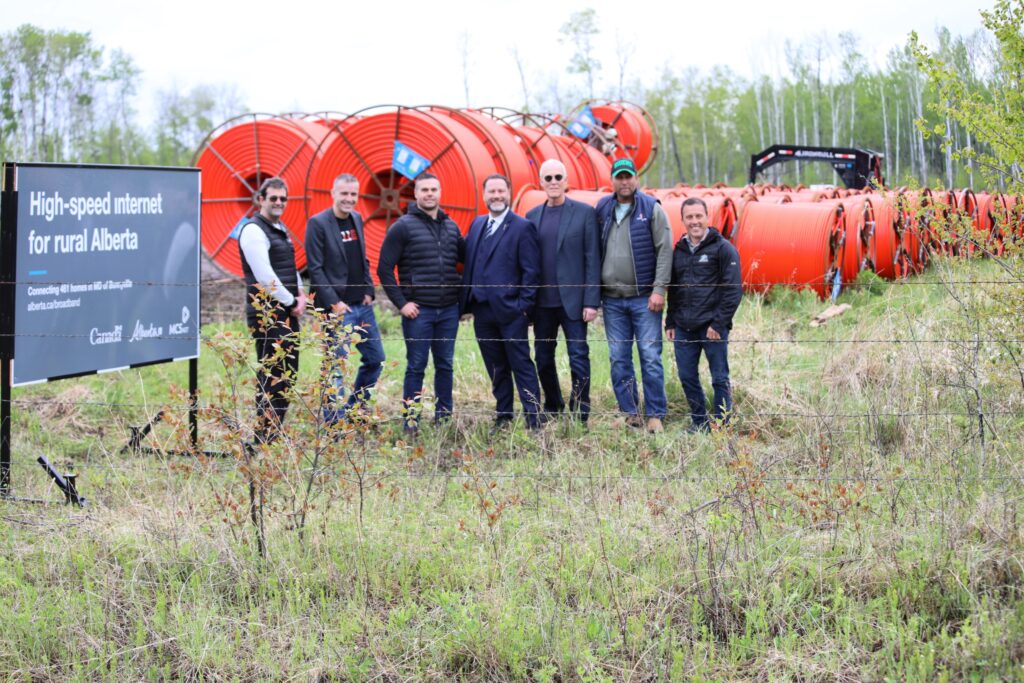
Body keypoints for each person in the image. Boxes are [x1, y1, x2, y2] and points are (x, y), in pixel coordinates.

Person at [377, 173, 465, 430]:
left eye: (433, 189)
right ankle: (411, 420)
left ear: (440, 192)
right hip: (419, 312)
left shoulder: (451, 226)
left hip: (448, 309)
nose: (429, 194)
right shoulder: (402, 227)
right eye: (424, 189)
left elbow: (464, 260)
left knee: (445, 365)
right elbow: (384, 269)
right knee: (416, 366)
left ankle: (444, 418)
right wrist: (401, 303)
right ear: (415, 195)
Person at [460, 174, 543, 430]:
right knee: (496, 367)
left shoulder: (521, 226)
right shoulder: (477, 224)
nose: (496, 196)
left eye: (500, 191)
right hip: (482, 311)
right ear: (484, 195)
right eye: (491, 192)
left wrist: (523, 307)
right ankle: (504, 416)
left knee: (521, 364)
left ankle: (534, 419)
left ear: (509, 193)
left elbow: (532, 271)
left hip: (511, 311)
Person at [596, 158, 673, 433]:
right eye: (620, 177)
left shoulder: (652, 209)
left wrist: (659, 289)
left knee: (650, 356)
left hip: (644, 298)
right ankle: (630, 413)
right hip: (613, 300)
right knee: (618, 357)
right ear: (612, 180)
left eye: (629, 176)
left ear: (636, 179)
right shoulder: (603, 208)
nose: (625, 181)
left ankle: (655, 414)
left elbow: (665, 250)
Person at [524, 159, 601, 423]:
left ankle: (581, 409)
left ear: (566, 181)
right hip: (542, 304)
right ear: (541, 183)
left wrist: (592, 301)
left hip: (574, 303)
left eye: (558, 177)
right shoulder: (532, 217)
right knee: (543, 358)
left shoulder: (583, 213)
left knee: (578, 356)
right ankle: (553, 404)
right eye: (548, 178)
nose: (554, 182)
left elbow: (592, 259)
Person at [304, 173, 385, 424]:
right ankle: (333, 423)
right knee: (335, 367)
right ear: (333, 194)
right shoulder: (318, 224)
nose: (349, 199)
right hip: (337, 309)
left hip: (362, 305)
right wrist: (334, 303)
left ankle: (354, 410)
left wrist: (369, 290)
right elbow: (315, 269)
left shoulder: (357, 219)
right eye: (344, 194)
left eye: (353, 194)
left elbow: (363, 258)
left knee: (376, 359)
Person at [238, 177, 306, 443]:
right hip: (267, 313)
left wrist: (299, 294)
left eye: (282, 198)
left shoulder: (279, 229)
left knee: (288, 373)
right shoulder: (254, 230)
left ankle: (273, 434)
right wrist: (291, 301)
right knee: (273, 373)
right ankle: (263, 436)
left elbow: (290, 267)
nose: (278, 203)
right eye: (273, 198)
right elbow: (265, 276)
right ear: (260, 199)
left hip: (285, 311)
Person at [666, 197, 742, 432]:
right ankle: (699, 422)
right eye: (689, 217)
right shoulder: (678, 251)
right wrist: (670, 321)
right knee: (687, 377)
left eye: (698, 216)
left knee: (719, 378)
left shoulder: (723, 249)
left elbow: (733, 290)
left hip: (712, 327)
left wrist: (718, 324)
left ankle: (722, 424)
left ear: (707, 217)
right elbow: (674, 289)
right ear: (683, 220)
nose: (694, 221)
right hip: (684, 327)